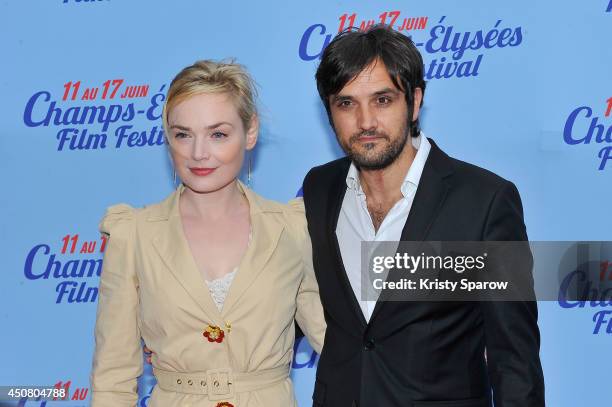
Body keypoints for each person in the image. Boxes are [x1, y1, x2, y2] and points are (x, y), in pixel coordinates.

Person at [301, 25, 545, 406]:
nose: (365, 122)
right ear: (329, 112)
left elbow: (515, 360)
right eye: (346, 103)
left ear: (414, 102)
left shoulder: (485, 202)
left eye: (382, 100)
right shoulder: (320, 189)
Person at [90, 60, 326, 407]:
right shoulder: (133, 236)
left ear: (250, 132)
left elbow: (340, 347)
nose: (198, 153)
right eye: (183, 134)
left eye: (218, 134)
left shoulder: (292, 228)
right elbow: (113, 378)